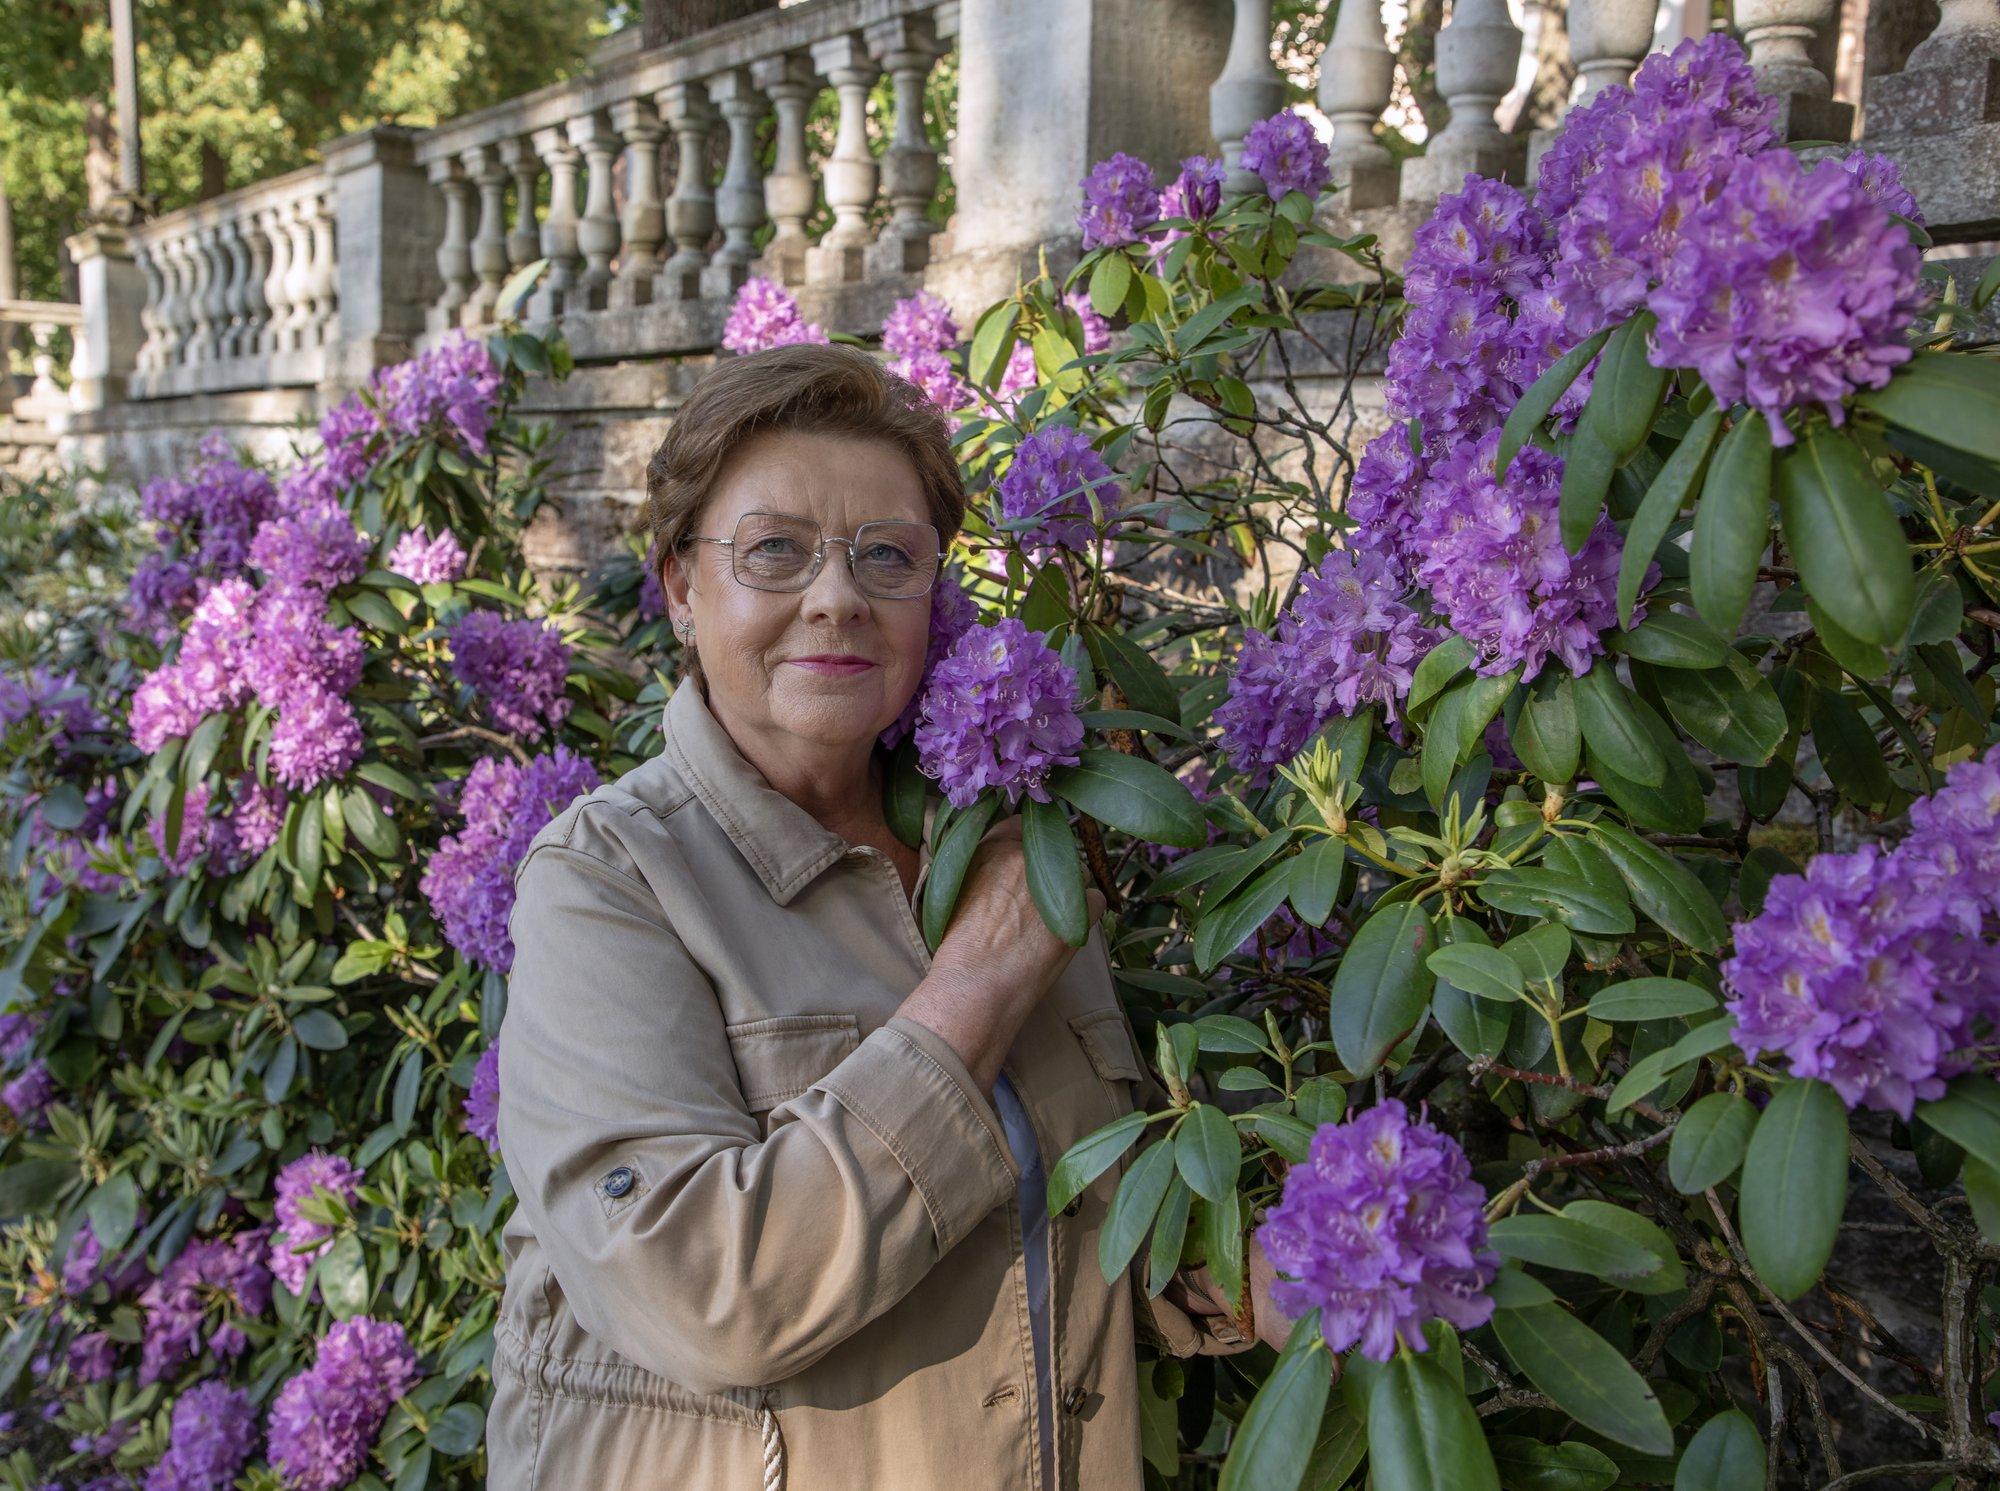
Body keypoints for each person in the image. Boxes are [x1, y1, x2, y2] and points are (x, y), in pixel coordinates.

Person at [489, 342, 1283, 1490]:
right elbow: (709, 1293)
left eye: (886, 556)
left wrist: (1248, 1258)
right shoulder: (607, 881)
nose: (836, 598)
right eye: (773, 551)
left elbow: (1075, 1193)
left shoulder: (997, 838)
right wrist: (994, 963)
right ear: (677, 584)